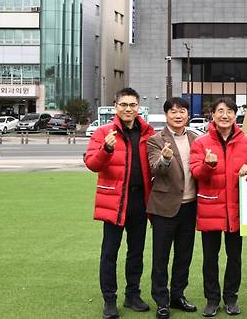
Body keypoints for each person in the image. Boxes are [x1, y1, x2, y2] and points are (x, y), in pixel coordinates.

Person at [84, 87, 155, 319]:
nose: (128, 109)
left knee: (136, 252)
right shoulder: (104, 132)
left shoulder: (148, 133)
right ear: (116, 107)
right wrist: (106, 148)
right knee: (109, 253)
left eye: (132, 105)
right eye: (123, 104)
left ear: (138, 108)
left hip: (140, 201)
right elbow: (92, 164)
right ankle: (109, 300)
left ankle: (132, 295)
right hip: (115, 201)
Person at [189, 97, 247, 317]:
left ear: (236, 114)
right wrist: (209, 166)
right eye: (220, 111)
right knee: (210, 258)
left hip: (237, 210)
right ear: (212, 115)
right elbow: (196, 173)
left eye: (229, 110)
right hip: (211, 208)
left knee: (234, 257)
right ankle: (212, 299)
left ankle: (231, 298)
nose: (225, 115)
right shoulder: (201, 143)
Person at [146, 97, 198, 319]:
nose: (178, 115)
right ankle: (161, 300)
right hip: (164, 208)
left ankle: (178, 295)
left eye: (182, 111)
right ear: (166, 114)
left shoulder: (197, 138)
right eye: (173, 111)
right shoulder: (156, 140)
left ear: (188, 114)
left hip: (190, 206)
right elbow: (155, 168)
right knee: (161, 257)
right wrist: (165, 159)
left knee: (184, 255)